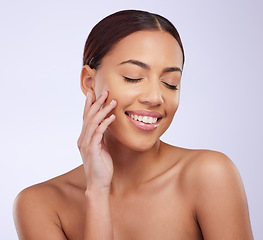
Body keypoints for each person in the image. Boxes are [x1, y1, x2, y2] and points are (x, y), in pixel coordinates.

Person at [13, 9, 254, 240]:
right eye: (133, 77)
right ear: (88, 82)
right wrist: (97, 192)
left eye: (170, 83)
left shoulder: (209, 175)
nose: (155, 97)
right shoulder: (39, 204)